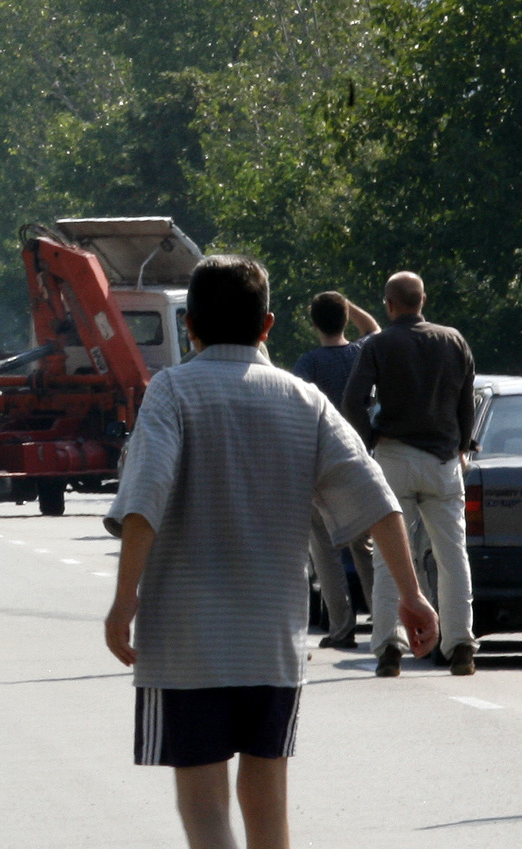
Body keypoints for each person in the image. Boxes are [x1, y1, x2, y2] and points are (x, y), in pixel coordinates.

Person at [104, 255, 437, 849]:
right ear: (268, 325)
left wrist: (123, 600)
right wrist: (412, 595)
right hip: (269, 642)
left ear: (190, 328)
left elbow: (144, 497)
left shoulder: (172, 392)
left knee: (205, 811)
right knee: (268, 803)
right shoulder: (302, 400)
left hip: (185, 643)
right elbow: (377, 500)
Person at [342, 270, 478, 677]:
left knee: (389, 556)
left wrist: (369, 442)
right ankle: (461, 647)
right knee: (452, 555)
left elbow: (353, 399)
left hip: (394, 456)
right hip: (442, 460)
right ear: (423, 299)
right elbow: (466, 399)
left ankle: (388, 647)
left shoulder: (379, 344)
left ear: (389, 304)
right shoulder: (454, 340)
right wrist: (462, 446)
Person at [292, 292, 380, 649]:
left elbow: (297, 409)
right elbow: (373, 327)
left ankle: (342, 628)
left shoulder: (307, 363)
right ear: (345, 320)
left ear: (314, 324)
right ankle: (382, 620)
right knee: (364, 545)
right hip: (359, 461)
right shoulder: (361, 353)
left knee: (324, 548)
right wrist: (348, 301)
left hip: (319, 463)